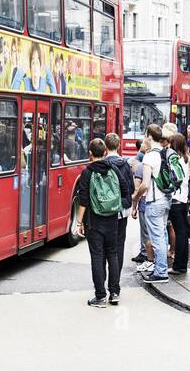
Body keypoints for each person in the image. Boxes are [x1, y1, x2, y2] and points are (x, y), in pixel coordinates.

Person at [73, 138, 124, 307]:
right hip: (112, 219)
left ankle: (100, 296)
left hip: (94, 221)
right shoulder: (114, 168)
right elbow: (125, 190)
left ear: (89, 154)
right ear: (104, 153)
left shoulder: (87, 172)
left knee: (97, 256)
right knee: (113, 254)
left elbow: (83, 200)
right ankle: (115, 293)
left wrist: (79, 222)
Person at [132, 124, 173, 284]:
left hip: (154, 202)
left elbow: (145, 184)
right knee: (161, 235)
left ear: (149, 136)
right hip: (166, 199)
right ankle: (160, 269)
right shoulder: (164, 153)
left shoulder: (150, 157)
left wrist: (136, 197)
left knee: (157, 238)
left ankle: (161, 272)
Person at [103, 133, 133, 299]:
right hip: (122, 211)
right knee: (118, 246)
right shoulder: (125, 164)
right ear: (119, 146)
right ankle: (115, 283)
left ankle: (103, 283)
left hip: (107, 212)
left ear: (106, 147)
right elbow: (130, 187)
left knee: (105, 247)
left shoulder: (103, 164)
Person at [166, 131, 190, 275]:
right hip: (185, 199)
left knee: (180, 232)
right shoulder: (188, 159)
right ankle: (182, 263)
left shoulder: (174, 159)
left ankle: (179, 266)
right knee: (183, 232)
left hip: (175, 199)